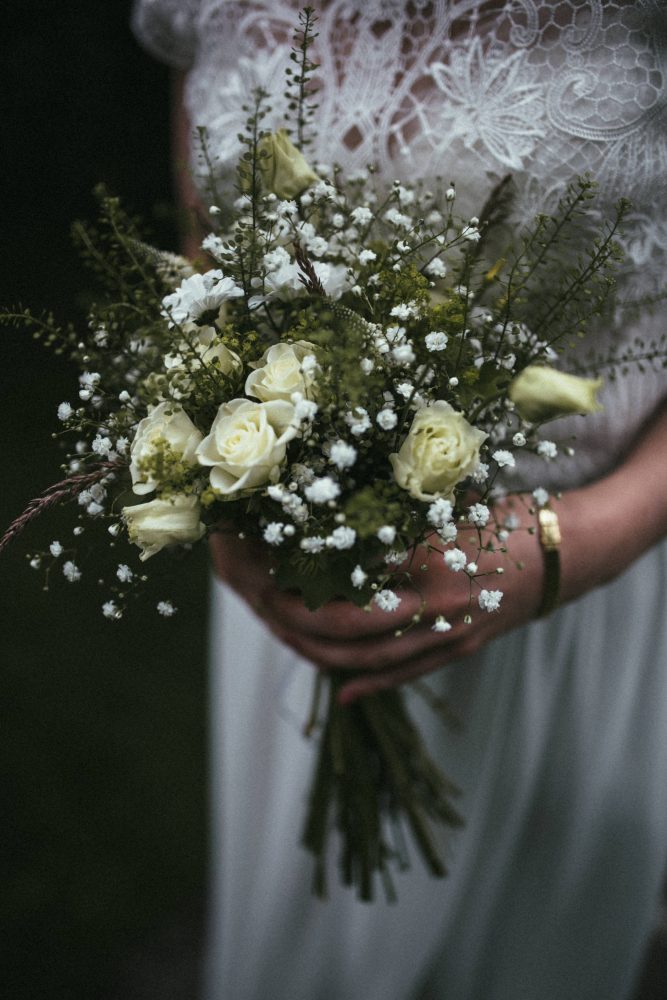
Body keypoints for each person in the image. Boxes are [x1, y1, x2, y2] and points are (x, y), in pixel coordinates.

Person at [132, 2, 667, 997]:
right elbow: (210, 241)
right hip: (306, 590)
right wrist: (221, 491)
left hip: (573, 598)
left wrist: (567, 545)